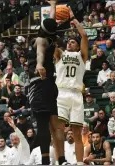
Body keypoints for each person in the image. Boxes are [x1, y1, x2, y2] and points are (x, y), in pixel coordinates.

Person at [27, 0, 62, 165]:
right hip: (50, 84)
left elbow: (40, 53)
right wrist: (53, 6)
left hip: (38, 84)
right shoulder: (52, 36)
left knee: (42, 125)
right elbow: (51, 20)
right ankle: (61, 160)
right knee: (55, 124)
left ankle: (46, 161)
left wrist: (39, 64)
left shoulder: (41, 39)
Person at [53, 6, 88, 165]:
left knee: (77, 132)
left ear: (77, 45)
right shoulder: (60, 54)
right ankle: (61, 162)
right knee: (59, 129)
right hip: (61, 93)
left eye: (73, 42)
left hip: (76, 94)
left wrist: (73, 18)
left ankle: (79, 163)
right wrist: (54, 22)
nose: (69, 43)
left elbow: (84, 35)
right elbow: (50, 39)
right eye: (68, 42)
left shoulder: (82, 55)